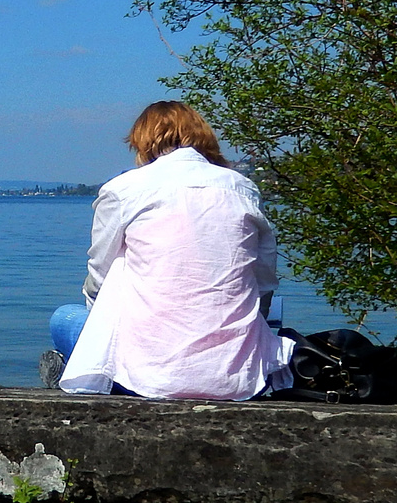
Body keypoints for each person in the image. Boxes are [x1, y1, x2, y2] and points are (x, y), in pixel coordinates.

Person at [50, 101, 292, 400]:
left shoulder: (125, 190)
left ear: (143, 142)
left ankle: (109, 377)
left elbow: (100, 276)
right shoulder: (243, 189)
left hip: (149, 378)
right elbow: (264, 279)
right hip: (237, 379)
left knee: (65, 318)